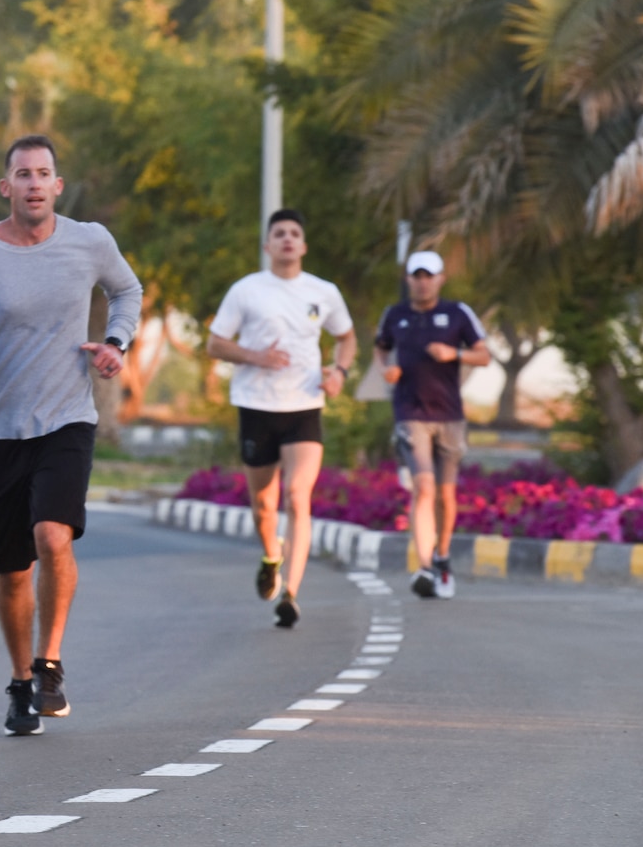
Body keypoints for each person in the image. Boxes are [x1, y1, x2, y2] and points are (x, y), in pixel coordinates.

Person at [0, 134, 141, 736]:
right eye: (24, 174)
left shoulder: (90, 241)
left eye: (45, 173)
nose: (35, 183)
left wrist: (117, 343)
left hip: (68, 418)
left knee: (52, 535)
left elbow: (127, 291)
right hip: (1, 430)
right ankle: (20, 682)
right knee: (12, 570)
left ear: (58, 186)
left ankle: (50, 665)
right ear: (6, 186)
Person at [206, 210, 357, 629]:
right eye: (279, 234)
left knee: (297, 495)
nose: (288, 239)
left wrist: (339, 373)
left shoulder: (323, 292)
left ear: (304, 246)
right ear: (268, 246)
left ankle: (290, 592)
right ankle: (272, 555)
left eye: (294, 233)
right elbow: (215, 344)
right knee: (263, 505)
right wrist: (257, 357)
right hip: (256, 405)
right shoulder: (247, 291)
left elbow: (347, 337)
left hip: (304, 406)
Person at [374, 250, 491, 600]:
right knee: (423, 488)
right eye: (416, 276)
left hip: (450, 416)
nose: (422, 282)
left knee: (445, 494)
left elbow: (484, 355)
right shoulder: (395, 315)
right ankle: (424, 566)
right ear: (408, 279)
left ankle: (442, 557)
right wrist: (386, 369)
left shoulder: (457, 314)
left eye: (429, 276)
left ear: (440, 279)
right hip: (411, 413)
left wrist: (454, 353)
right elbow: (381, 348)